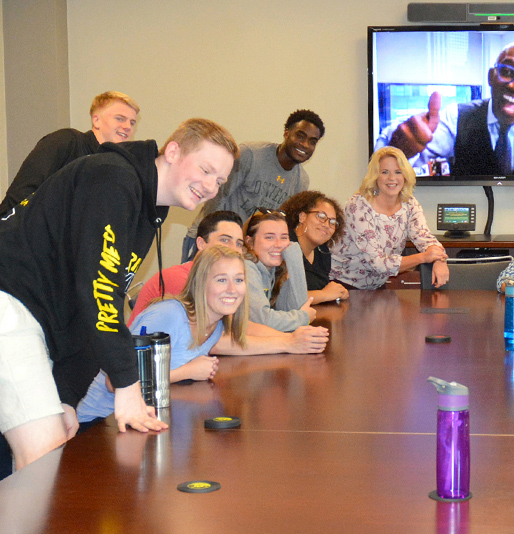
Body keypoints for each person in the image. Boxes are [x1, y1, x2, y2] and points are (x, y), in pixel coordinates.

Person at [0, 117, 238, 472]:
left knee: (38, 458)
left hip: (35, 317)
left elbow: (89, 312)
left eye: (219, 181)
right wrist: (127, 385)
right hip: (10, 303)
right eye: (205, 170)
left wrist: (67, 397)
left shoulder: (144, 210)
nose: (210, 187)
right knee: (40, 457)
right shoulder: (112, 178)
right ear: (172, 151)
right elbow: (99, 292)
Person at [77, 245, 328, 425]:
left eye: (239, 280)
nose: (232, 289)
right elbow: (116, 381)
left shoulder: (215, 324)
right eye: (221, 280)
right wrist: (185, 373)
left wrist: (289, 344)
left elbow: (240, 344)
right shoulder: (170, 316)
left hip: (143, 419)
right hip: (97, 422)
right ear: (200, 283)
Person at [375, 41, 514, 177]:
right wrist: (395, 151)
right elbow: (403, 170)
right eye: (507, 72)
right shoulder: (457, 117)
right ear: (492, 77)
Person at [183, 109, 325, 261]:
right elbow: (217, 196)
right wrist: (210, 238)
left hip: (246, 253)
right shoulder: (251, 154)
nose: (304, 144)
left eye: (312, 141)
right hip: (211, 239)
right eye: (300, 136)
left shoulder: (302, 181)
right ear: (286, 133)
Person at [0, 91, 140, 217]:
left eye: (132, 123)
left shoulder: (117, 167)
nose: (127, 127)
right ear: (96, 120)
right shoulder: (66, 140)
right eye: (120, 119)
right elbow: (22, 192)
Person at [329, 146, 449, 290]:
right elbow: (378, 263)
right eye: (385, 172)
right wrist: (424, 257)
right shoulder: (358, 206)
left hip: (376, 285)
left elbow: (425, 237)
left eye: (398, 172)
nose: (392, 178)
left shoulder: (409, 203)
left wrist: (440, 260)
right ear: (375, 176)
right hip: (343, 285)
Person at [128, 210, 245, 324]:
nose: (234, 249)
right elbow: (213, 336)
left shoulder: (221, 280)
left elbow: (234, 327)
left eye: (239, 244)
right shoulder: (181, 279)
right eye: (225, 240)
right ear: (201, 244)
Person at [244, 209, 316, 331]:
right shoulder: (246, 268)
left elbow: (295, 308)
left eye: (284, 237)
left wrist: (295, 257)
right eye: (269, 237)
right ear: (250, 242)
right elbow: (262, 320)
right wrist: (303, 317)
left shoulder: (272, 270)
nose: (278, 244)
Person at [281, 191, 349, 304]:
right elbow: (284, 298)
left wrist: (338, 292)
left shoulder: (323, 252)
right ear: (302, 217)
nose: (327, 225)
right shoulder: (284, 245)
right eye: (321, 216)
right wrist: (324, 294)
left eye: (332, 222)